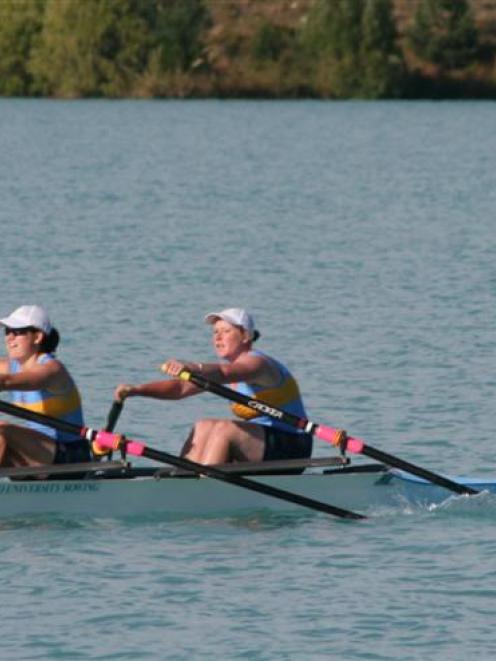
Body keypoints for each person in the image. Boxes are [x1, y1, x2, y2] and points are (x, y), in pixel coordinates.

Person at [114, 307, 313, 466]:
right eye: (215, 332)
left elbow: (223, 373)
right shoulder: (229, 369)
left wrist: (192, 366)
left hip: (293, 445)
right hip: (262, 442)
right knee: (204, 425)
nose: (218, 337)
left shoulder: (257, 364)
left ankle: (202, 488)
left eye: (226, 331)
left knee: (224, 429)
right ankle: (183, 478)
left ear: (246, 336)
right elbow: (180, 389)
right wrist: (137, 390)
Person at [0, 305, 90, 467]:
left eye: (17, 332)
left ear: (38, 337)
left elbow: (5, 382)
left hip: (71, 456)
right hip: (39, 453)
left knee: (2, 429)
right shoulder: (9, 366)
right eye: (7, 331)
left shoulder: (53, 370)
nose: (9, 338)